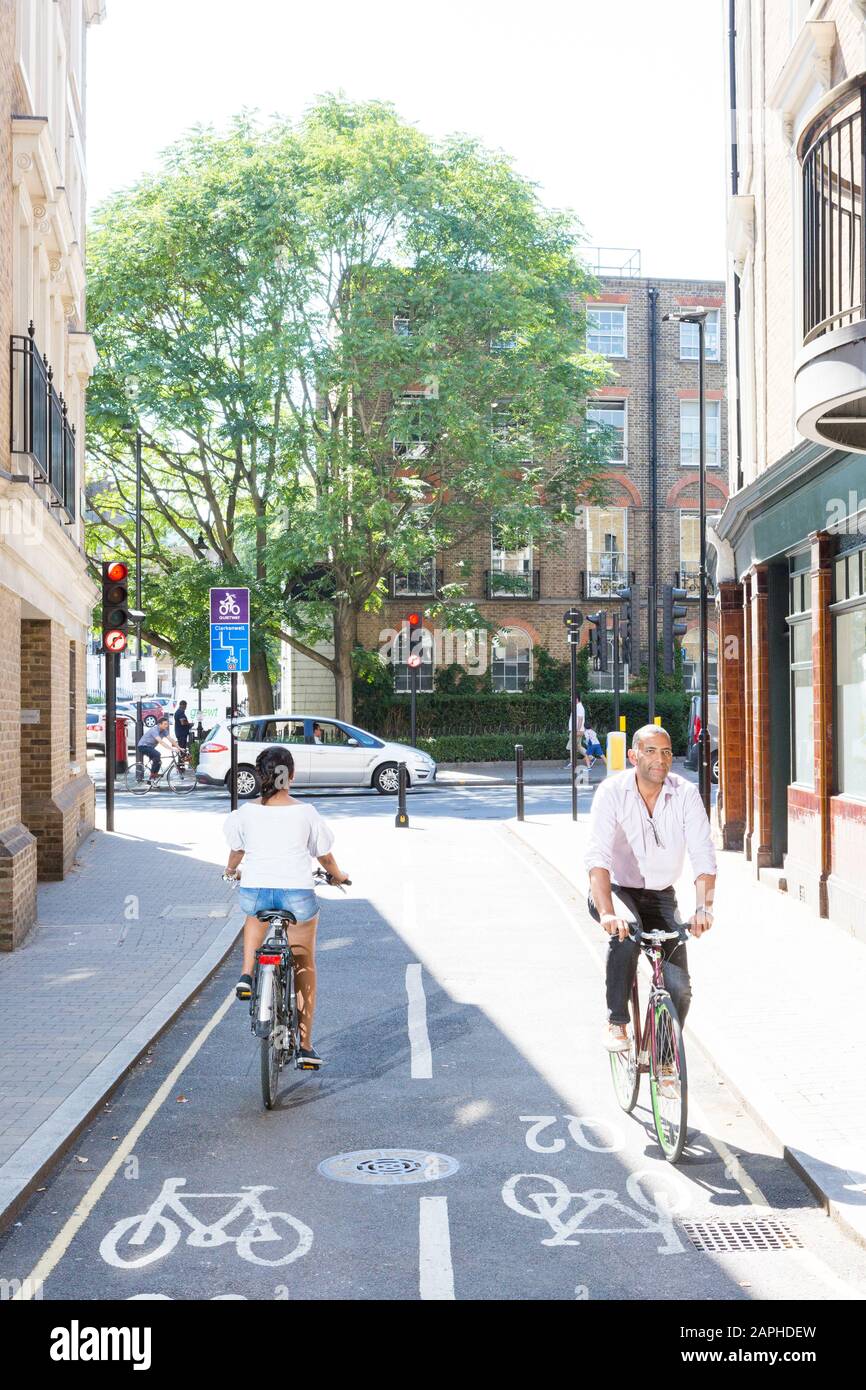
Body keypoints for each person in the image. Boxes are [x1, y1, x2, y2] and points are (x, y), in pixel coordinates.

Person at [584, 724, 716, 1062]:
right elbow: (597, 856)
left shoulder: (685, 794)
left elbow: (703, 854)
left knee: (680, 988)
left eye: (667, 752)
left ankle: (664, 1061)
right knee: (626, 935)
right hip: (617, 891)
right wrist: (607, 911)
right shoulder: (612, 792)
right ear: (633, 755)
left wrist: (704, 908)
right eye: (651, 751)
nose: (661, 759)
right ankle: (617, 1022)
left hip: (660, 896)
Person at [223, 745, 349, 1069]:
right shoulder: (306, 813)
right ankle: (305, 1046)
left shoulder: (244, 814)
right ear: (289, 776)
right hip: (297, 896)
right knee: (304, 962)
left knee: (254, 916)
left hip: (257, 891)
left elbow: (237, 852)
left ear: (260, 776)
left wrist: (229, 870)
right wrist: (339, 876)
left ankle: (247, 974)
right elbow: (325, 856)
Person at [565, 696, 586, 767]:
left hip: (576, 730)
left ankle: (572, 763)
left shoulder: (579, 707)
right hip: (578, 730)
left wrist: (577, 730)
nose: (570, 700)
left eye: (571, 698)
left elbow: (580, 719)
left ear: (576, 699)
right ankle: (591, 758)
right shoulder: (578, 706)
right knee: (578, 747)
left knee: (572, 746)